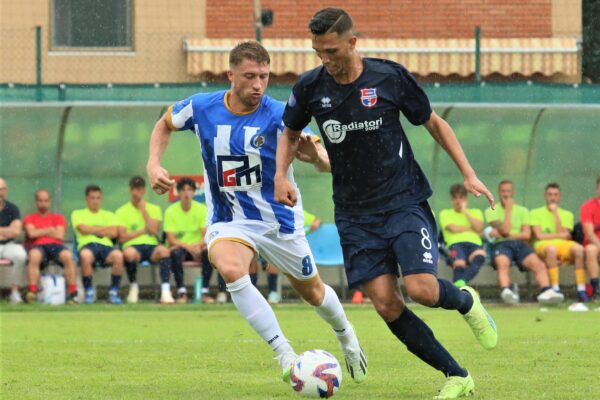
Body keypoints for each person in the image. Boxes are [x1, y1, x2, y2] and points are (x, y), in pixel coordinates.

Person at [275, 8, 496, 398]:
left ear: (352, 42)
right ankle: (457, 376)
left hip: (403, 201)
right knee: (385, 304)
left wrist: (469, 173)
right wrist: (281, 175)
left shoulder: (388, 77)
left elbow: (434, 124)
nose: (325, 59)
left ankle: (465, 301)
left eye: (331, 50)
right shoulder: (310, 87)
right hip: (354, 214)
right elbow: (289, 133)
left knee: (423, 290)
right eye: (317, 52)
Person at [147, 41, 367, 384]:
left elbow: (322, 162)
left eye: (264, 76)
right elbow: (164, 123)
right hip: (229, 218)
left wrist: (313, 155)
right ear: (230, 75)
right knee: (232, 269)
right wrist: (154, 164)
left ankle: (345, 334)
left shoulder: (281, 114)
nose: (258, 85)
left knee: (313, 293)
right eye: (250, 76)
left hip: (279, 220)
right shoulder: (201, 108)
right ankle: (285, 354)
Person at [484, 180, 564, 305]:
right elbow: (505, 231)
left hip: (520, 244)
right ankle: (506, 291)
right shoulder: (491, 210)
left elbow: (526, 235)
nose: (506, 194)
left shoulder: (523, 211)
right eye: (503, 191)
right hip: (501, 244)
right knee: (502, 263)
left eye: (509, 191)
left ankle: (547, 292)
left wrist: (505, 234)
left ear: (513, 192)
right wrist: (509, 211)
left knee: (539, 264)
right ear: (499, 193)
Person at [530, 183, 594, 311]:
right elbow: (539, 236)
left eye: (555, 195)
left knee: (579, 249)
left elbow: (566, 236)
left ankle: (581, 291)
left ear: (560, 196)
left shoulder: (567, 214)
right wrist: (559, 235)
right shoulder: (535, 213)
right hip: (543, 245)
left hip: (563, 245)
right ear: (545, 196)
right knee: (551, 250)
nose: (552, 198)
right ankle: (555, 290)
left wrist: (555, 214)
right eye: (550, 195)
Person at [116, 176, 171, 304]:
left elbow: (153, 230)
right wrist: (141, 231)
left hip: (151, 246)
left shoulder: (154, 209)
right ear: (130, 190)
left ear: (144, 191)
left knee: (164, 251)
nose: (136, 192)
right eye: (134, 189)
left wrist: (143, 210)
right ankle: (134, 287)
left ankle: (165, 291)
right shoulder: (122, 211)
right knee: (129, 254)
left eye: (139, 189)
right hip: (132, 246)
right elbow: (122, 237)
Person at [163, 178, 214, 304]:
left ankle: (205, 292)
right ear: (178, 192)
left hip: (198, 248)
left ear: (194, 192)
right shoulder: (171, 211)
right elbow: (171, 239)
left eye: (190, 190)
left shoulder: (202, 209)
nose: (186, 193)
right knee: (174, 253)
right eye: (183, 190)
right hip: (182, 249)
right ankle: (182, 292)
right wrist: (188, 247)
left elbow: (205, 235)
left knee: (209, 253)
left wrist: (198, 245)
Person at [71, 184, 124, 304]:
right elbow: (82, 229)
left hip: (106, 248)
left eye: (98, 198)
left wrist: (92, 229)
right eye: (92, 198)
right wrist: (103, 230)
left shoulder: (109, 215)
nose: (95, 201)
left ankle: (113, 292)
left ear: (101, 199)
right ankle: (89, 292)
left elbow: (114, 232)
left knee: (119, 256)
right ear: (86, 199)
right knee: (85, 256)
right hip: (87, 246)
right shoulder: (78, 213)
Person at [23, 189, 78, 303]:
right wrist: (50, 229)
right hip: (38, 246)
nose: (43, 203)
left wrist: (40, 231)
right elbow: (31, 233)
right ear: (36, 202)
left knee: (68, 256)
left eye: (46, 200)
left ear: (50, 201)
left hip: (56, 246)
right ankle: (32, 292)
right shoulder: (29, 218)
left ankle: (73, 294)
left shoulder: (58, 217)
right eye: (40, 201)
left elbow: (60, 235)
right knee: (34, 255)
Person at [439, 184, 487, 287]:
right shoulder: (445, 213)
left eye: (461, 198)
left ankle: (460, 284)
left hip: (474, 244)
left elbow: (479, 228)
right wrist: (472, 229)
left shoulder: (475, 212)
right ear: (451, 199)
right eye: (455, 198)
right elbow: (453, 228)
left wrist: (465, 211)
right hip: (454, 246)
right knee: (459, 262)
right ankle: (460, 288)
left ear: (466, 199)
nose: (458, 201)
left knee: (480, 256)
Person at [0, 178, 27, 304]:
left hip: (8, 244)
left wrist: (6, 233)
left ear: (6, 191)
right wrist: (6, 230)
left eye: (2, 189)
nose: (0, 192)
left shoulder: (12, 209)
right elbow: (11, 230)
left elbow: (16, 231)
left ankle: (15, 292)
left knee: (20, 255)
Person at [579, 176, 600, 305]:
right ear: (597, 188)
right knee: (591, 251)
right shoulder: (587, 206)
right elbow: (590, 233)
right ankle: (596, 290)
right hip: (594, 243)